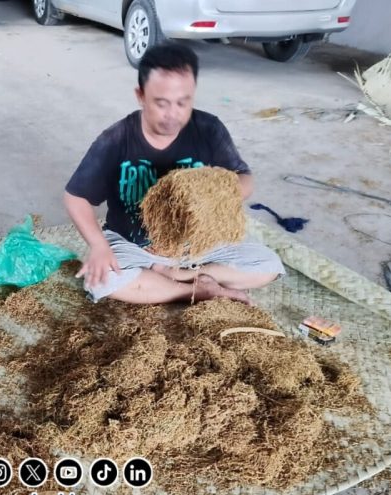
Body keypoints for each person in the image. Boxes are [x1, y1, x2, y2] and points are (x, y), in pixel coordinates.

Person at [64, 42, 284, 305]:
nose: (173, 114)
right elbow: (75, 197)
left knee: (268, 265)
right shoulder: (116, 139)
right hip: (136, 247)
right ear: (141, 96)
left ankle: (178, 276)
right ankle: (199, 291)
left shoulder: (208, 129)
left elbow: (244, 178)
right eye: (161, 103)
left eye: (183, 103)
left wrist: (210, 193)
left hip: (199, 248)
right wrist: (99, 246)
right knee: (102, 279)